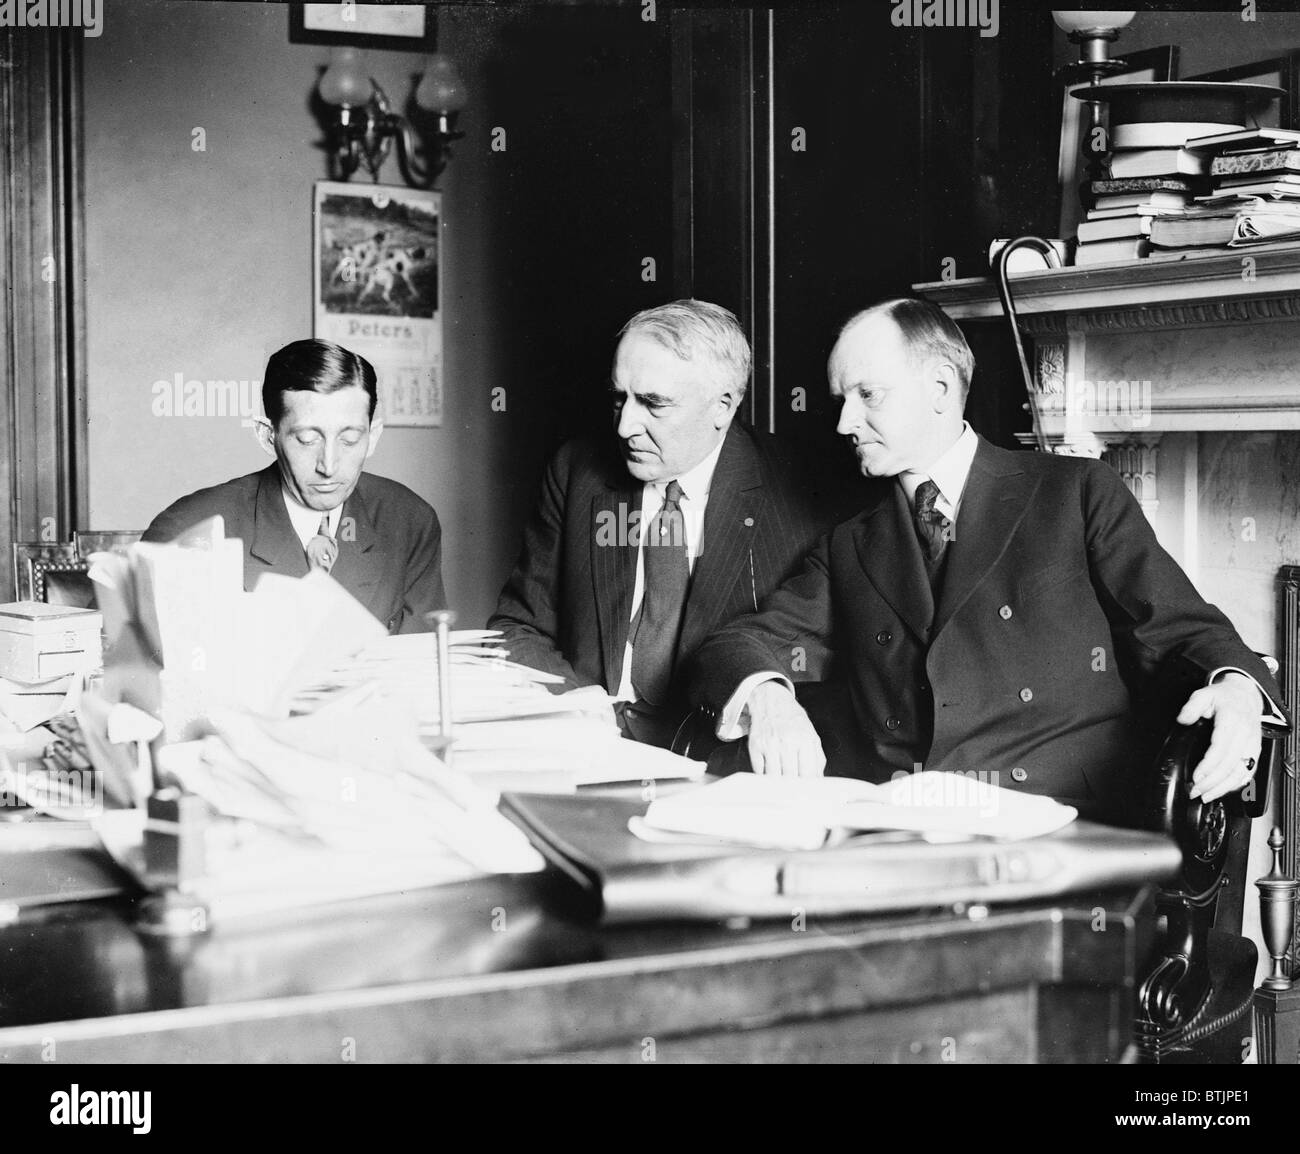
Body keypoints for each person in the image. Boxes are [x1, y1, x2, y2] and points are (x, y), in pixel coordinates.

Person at [686, 298, 1284, 820]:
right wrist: (767, 698)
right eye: (841, 399)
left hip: (1056, 827)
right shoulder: (850, 543)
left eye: (867, 395)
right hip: (904, 831)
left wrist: (1236, 688)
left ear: (941, 388)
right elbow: (735, 645)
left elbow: (1181, 626)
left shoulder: (1075, 493)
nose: (844, 422)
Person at [489, 299, 826, 748]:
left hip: (721, 761)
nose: (626, 425)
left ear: (723, 406)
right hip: (587, 744)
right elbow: (519, 626)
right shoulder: (577, 472)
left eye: (654, 404)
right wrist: (568, 708)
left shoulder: (801, 493)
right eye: (619, 398)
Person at [142, 339, 445, 634]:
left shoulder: (409, 520)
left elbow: (419, 666)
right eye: (307, 439)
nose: (328, 465)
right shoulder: (187, 529)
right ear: (266, 435)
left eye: (350, 439)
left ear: (373, 436)